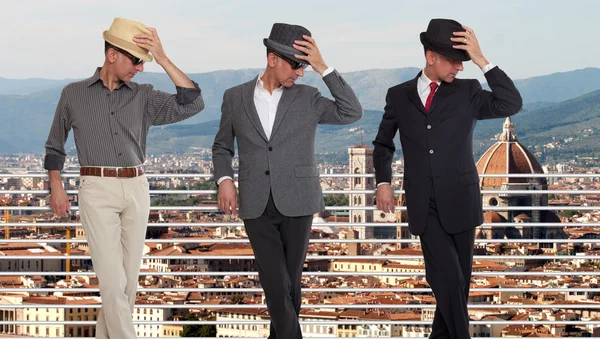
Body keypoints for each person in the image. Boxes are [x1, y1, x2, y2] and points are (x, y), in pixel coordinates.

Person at [44, 17, 205, 339]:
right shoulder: (73, 94)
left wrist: (163, 58)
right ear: (112, 55)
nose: (140, 69)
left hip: (136, 187)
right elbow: (54, 144)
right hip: (96, 187)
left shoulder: (144, 96)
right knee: (112, 280)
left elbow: (193, 103)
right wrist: (56, 185)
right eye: (136, 60)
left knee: (128, 282)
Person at [372, 18, 522, 339]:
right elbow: (383, 144)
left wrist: (482, 60)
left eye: (464, 61)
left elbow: (512, 103)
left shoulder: (469, 91)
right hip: (424, 206)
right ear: (431, 57)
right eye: (455, 60)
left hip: (462, 202)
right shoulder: (398, 96)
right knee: (447, 279)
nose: (460, 67)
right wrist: (383, 181)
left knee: (455, 287)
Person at [212, 23, 362, 339]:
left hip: (298, 198)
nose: (301, 73)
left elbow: (352, 111)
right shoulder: (234, 97)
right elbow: (222, 146)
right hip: (254, 201)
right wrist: (224, 179)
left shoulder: (308, 97)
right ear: (272, 59)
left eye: (305, 66)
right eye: (296, 64)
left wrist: (323, 66)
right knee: (275, 280)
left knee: (290, 282)